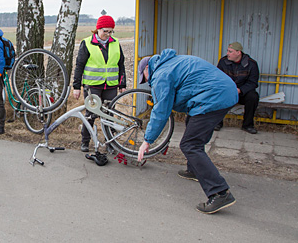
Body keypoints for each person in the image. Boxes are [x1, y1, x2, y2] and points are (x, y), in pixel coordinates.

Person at [137, 48, 238, 214]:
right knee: (193, 126)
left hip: (212, 97)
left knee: (190, 144)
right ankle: (194, 169)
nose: (147, 82)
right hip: (225, 92)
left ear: (148, 69)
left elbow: (161, 110)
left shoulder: (161, 74)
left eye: (145, 78)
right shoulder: (172, 62)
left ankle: (220, 192)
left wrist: (147, 140)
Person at [72, 15, 126, 152]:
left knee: (109, 115)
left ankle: (110, 143)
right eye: (105, 31)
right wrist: (76, 87)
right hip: (92, 86)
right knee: (90, 114)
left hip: (111, 86)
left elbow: (121, 65)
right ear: (98, 29)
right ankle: (85, 141)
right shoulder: (87, 43)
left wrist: (122, 84)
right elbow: (79, 66)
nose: (107, 34)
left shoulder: (115, 43)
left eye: (110, 31)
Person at [216, 42, 260, 134]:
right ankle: (217, 123)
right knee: (217, 94)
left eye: (230, 51)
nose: (227, 53)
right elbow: (218, 79)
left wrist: (240, 90)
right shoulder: (223, 62)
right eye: (227, 51)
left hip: (243, 93)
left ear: (238, 52)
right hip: (227, 91)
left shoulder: (251, 64)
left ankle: (247, 125)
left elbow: (253, 83)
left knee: (253, 96)